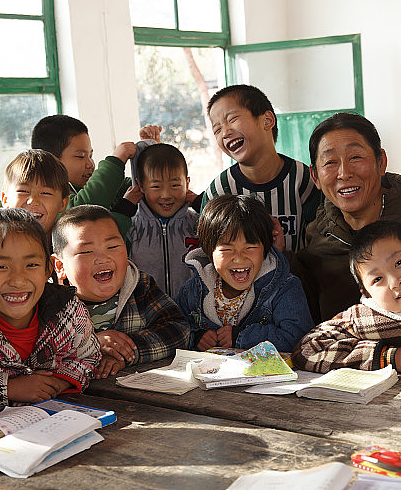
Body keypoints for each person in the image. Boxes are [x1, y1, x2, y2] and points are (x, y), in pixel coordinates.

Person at [290, 112, 401, 323]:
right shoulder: (318, 237)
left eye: (355, 157)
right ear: (315, 176)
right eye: (330, 162)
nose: (344, 173)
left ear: (381, 161)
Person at [0, 208, 100, 413]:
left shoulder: (68, 311)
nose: (18, 280)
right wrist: (9, 389)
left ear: (48, 269)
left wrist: (60, 382)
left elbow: (89, 356)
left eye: (31, 264)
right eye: (1, 267)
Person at [52, 205, 189, 379]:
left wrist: (126, 352)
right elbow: (39, 354)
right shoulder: (51, 302)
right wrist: (92, 344)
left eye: (112, 246)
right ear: (60, 266)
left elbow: (179, 330)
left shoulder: (139, 286)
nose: (103, 258)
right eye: (86, 251)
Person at [176, 195, 314, 353]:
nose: (239, 258)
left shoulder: (284, 287)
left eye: (250, 247)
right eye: (227, 249)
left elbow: (298, 338)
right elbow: (174, 325)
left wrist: (242, 337)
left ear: (265, 248)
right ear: (209, 251)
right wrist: (196, 337)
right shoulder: (193, 290)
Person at [293, 221, 401, 373]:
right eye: (377, 279)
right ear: (367, 293)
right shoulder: (365, 317)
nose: (394, 282)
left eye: (399, 262)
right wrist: (392, 357)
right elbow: (305, 350)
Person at [203, 85, 322, 252]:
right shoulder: (219, 191)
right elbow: (208, 253)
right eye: (217, 129)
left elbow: (319, 248)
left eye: (232, 119)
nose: (225, 133)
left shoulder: (304, 180)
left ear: (267, 120)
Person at [0, 149, 70, 277]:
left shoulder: (68, 249)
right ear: (5, 199)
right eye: (23, 191)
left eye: (45, 193)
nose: (33, 200)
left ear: (63, 203)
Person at [31, 114, 138, 237]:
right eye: (80, 156)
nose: (90, 164)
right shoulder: (49, 198)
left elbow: (129, 186)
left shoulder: (78, 187)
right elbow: (82, 210)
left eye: (90, 156)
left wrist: (148, 155)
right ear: (52, 161)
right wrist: (115, 162)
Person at [126, 142, 199, 297]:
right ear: (141, 186)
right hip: (148, 311)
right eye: (156, 187)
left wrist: (201, 202)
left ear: (187, 183)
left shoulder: (197, 224)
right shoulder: (131, 229)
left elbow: (226, 223)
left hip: (192, 311)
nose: (166, 195)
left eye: (175, 185)